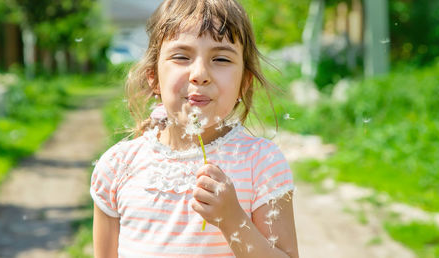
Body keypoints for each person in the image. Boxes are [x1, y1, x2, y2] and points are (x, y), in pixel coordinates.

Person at [90, 0, 298, 257]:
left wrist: (232, 220)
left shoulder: (261, 164)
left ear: (244, 82)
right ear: (153, 77)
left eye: (220, 58)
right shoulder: (117, 167)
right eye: (181, 56)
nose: (199, 73)